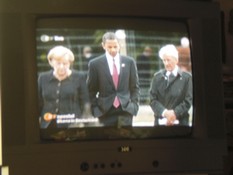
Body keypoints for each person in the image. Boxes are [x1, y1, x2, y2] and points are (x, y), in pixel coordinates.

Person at [87, 32, 140, 127]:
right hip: (104, 111)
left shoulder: (129, 62)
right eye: (109, 47)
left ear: (119, 45)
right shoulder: (95, 64)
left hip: (125, 110)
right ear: (103, 46)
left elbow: (134, 87)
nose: (113, 50)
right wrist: (95, 109)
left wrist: (134, 106)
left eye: (115, 46)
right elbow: (91, 90)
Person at [38, 45, 90, 128]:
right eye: (58, 63)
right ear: (51, 62)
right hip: (47, 125)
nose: (62, 66)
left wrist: (84, 123)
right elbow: (38, 102)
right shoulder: (43, 78)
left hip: (73, 125)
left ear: (70, 63)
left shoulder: (79, 77)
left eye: (65, 63)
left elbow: (85, 103)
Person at [149, 44, 192, 126]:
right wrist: (165, 113)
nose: (166, 63)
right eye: (164, 60)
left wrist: (174, 113)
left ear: (176, 60)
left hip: (181, 123)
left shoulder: (187, 78)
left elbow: (188, 101)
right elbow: (152, 100)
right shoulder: (157, 77)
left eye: (168, 60)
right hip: (160, 122)